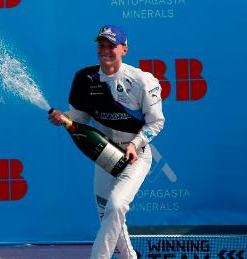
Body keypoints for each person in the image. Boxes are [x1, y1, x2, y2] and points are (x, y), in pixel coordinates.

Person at [49, 25, 165, 259]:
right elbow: (79, 119)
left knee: (116, 205)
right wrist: (64, 119)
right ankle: (129, 257)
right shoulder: (84, 78)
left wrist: (136, 143)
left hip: (136, 155)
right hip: (104, 154)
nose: (105, 51)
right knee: (108, 215)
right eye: (101, 45)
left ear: (124, 49)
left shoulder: (142, 80)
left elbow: (156, 123)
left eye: (111, 46)